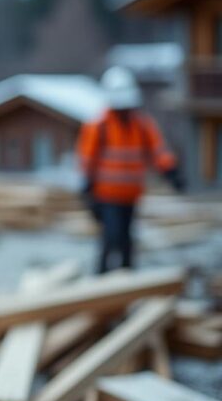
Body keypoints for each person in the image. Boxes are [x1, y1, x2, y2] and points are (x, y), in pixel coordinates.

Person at [77, 66, 183, 274]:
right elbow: (86, 159)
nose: (124, 111)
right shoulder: (99, 127)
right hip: (107, 196)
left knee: (126, 241)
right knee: (111, 238)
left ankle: (127, 280)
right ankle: (102, 279)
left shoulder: (142, 126)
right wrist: (87, 188)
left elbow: (158, 151)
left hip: (131, 196)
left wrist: (171, 172)